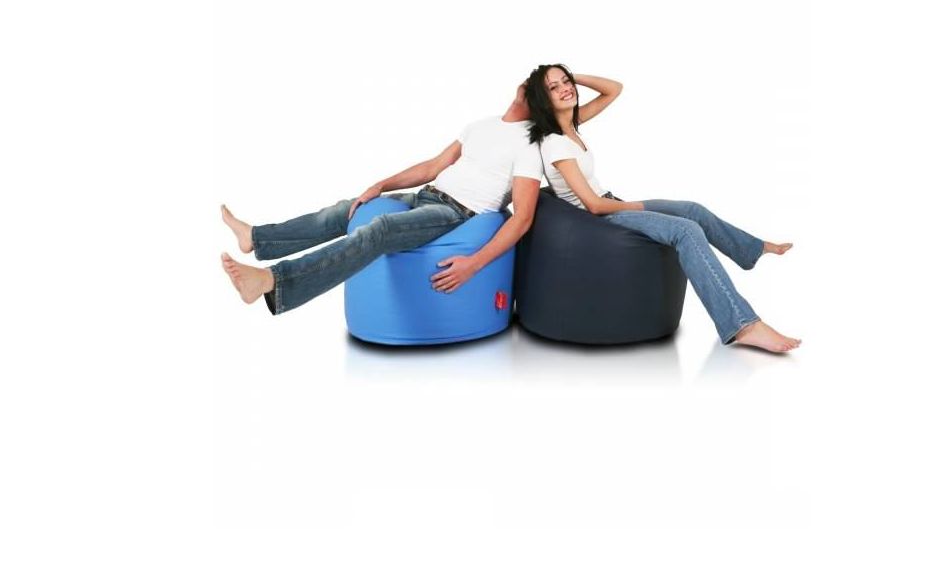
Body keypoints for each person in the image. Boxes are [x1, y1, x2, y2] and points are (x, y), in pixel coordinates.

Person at [523, 64, 801, 353]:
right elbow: (593, 205)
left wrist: (572, 76)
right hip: (601, 218)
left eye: (565, 81)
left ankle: (750, 249)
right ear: (544, 99)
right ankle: (743, 325)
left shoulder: (570, 124)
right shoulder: (556, 143)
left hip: (610, 203)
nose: (565, 88)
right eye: (553, 87)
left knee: (691, 210)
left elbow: (614, 89)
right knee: (686, 230)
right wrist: (636, 206)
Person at [221, 84, 542, 315]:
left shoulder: (530, 144)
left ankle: (271, 281)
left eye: (547, 86)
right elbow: (433, 167)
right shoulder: (482, 126)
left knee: (380, 229)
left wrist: (473, 264)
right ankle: (257, 238)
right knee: (347, 209)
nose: (532, 82)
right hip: (426, 195)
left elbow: (523, 217)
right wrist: (381, 185)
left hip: (456, 214)